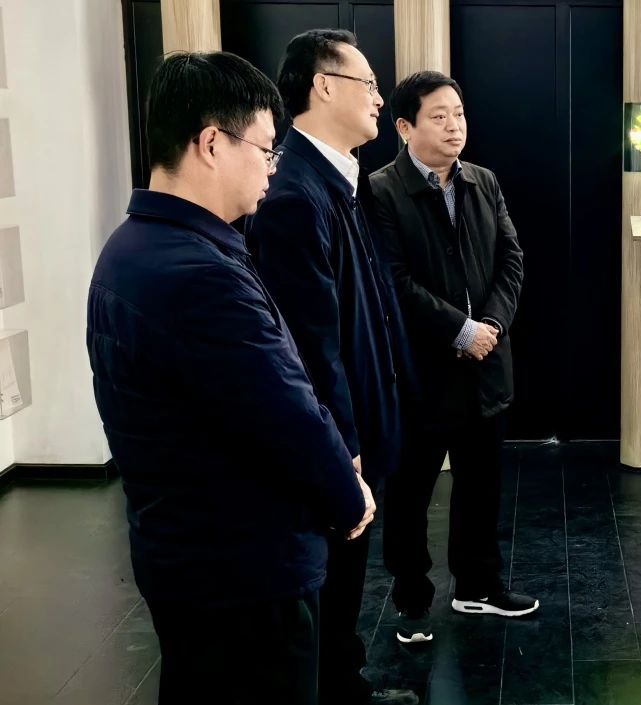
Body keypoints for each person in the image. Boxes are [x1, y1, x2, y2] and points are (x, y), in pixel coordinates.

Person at [86, 52, 374, 705]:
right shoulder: (198, 273)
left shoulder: (132, 247)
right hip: (244, 573)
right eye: (267, 149)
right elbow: (284, 412)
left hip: (185, 554)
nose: (273, 167)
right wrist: (348, 495)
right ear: (212, 143)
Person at [245, 29, 417, 705]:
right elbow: (309, 345)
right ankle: (338, 689)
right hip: (337, 439)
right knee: (331, 578)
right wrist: (343, 446)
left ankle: (345, 680)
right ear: (323, 86)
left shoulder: (338, 180)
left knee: (347, 577)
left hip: (364, 424)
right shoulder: (294, 192)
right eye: (367, 84)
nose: (378, 98)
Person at [369, 70, 536, 645]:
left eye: (458, 114)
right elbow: (391, 280)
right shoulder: (381, 191)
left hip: (487, 364)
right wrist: (458, 330)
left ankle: (478, 586)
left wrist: (490, 325)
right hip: (422, 371)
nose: (453, 126)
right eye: (438, 116)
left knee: (481, 485)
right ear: (404, 126)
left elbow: (512, 259)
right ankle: (411, 594)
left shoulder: (483, 181)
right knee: (410, 489)